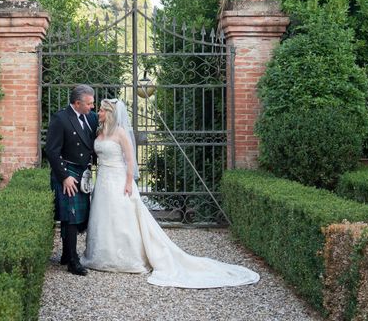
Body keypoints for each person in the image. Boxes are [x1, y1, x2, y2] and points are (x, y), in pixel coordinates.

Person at [81, 98, 260, 288]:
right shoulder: (100, 131)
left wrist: (128, 183)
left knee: (121, 217)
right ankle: (100, 255)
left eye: (101, 110)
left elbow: (130, 160)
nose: (97, 113)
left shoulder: (121, 133)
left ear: (109, 113)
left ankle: (126, 258)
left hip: (118, 179)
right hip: (102, 180)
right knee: (103, 216)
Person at [45, 84, 98, 276]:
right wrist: (64, 176)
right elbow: (51, 150)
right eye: (89, 103)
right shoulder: (61, 119)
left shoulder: (91, 118)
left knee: (77, 217)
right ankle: (73, 262)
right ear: (77, 103)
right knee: (71, 217)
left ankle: (66, 254)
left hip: (82, 172)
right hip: (67, 172)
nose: (92, 107)